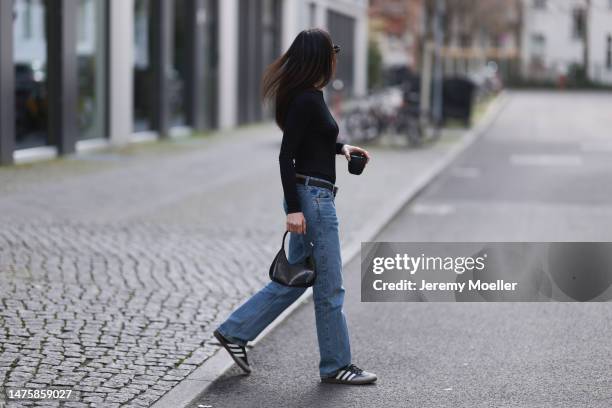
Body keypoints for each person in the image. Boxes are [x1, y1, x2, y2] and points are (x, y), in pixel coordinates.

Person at [213, 28, 377, 385]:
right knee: (330, 284)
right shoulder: (305, 99)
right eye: (332, 50)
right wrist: (294, 211)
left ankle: (234, 331)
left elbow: (311, 142)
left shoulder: (308, 97)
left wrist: (342, 148)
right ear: (320, 57)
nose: (336, 57)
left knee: (296, 278)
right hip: (313, 200)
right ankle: (337, 365)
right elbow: (286, 157)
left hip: (312, 195)